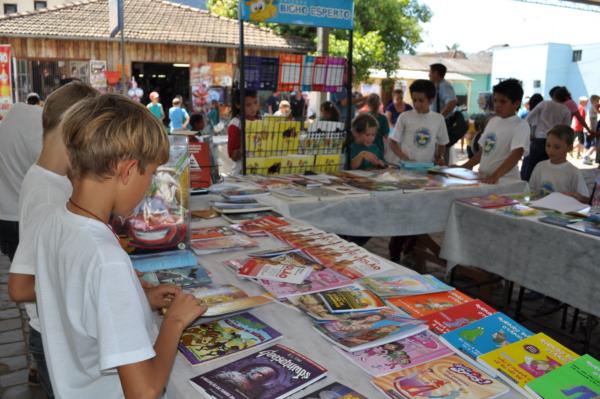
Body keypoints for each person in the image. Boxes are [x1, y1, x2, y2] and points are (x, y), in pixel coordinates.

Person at [31, 93, 207, 398]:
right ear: (127, 171)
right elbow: (144, 392)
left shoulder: (53, 220)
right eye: (150, 174)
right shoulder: (106, 259)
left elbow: (78, 304)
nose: (149, 186)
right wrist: (175, 321)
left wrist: (141, 300)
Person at [7, 81, 99, 397]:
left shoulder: (50, 179)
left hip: (53, 331)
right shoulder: (48, 194)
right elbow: (20, 286)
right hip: (51, 336)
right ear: (73, 130)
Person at [460, 78, 530, 184]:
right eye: (495, 100)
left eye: (503, 101)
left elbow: (516, 155)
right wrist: (465, 166)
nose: (497, 105)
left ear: (516, 103)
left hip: (505, 181)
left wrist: (495, 175)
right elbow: (483, 151)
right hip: (486, 179)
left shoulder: (520, 125)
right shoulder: (492, 121)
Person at [0, 102, 44, 261]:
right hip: (30, 219)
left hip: (5, 217)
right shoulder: (39, 129)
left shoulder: (6, 126)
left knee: (19, 268)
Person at [389, 79, 449, 165]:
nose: (417, 104)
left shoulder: (438, 119)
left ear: (431, 100)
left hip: (428, 168)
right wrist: (403, 157)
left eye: (421, 100)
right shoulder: (404, 117)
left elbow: (442, 142)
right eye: (414, 100)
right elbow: (392, 141)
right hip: (406, 168)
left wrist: (439, 157)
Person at [529, 125, 589, 203]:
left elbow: (585, 199)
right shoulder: (540, 166)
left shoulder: (573, 172)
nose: (551, 150)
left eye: (557, 147)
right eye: (548, 145)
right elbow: (531, 191)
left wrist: (579, 198)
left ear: (569, 148)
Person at [521, 89, 572, 181]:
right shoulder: (566, 110)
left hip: (539, 139)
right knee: (549, 167)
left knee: (531, 166)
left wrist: (530, 132)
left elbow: (528, 118)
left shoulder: (544, 104)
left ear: (553, 95)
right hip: (556, 141)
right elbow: (566, 129)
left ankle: (526, 188)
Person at [228, 89, 260, 174]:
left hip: (258, 171)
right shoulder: (236, 124)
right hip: (241, 172)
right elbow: (233, 156)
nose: (253, 108)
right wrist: (247, 145)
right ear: (238, 105)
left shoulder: (261, 120)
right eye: (248, 105)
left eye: (255, 102)